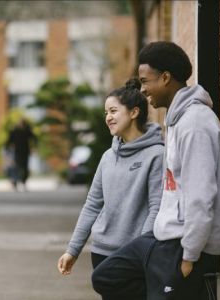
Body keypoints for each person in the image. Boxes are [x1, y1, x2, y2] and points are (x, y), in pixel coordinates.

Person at [92, 41, 220, 300]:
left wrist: (189, 255)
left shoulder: (195, 124)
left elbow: (201, 197)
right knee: (106, 276)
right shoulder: (175, 121)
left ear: (165, 78)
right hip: (162, 238)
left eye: (145, 81)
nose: (142, 90)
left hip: (183, 245)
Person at [57, 79, 164, 288]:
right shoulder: (108, 156)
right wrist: (73, 250)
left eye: (113, 111)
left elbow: (156, 208)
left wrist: (140, 252)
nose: (108, 118)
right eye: (106, 112)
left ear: (134, 113)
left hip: (133, 255)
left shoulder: (156, 155)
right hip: (101, 251)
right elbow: (92, 204)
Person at [5, 118, 36, 190]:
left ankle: (23, 181)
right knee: (17, 167)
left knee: (25, 167)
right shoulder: (15, 131)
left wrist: (34, 147)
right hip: (17, 152)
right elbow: (9, 140)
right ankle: (15, 182)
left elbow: (34, 138)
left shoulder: (27, 131)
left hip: (25, 152)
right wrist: (7, 149)